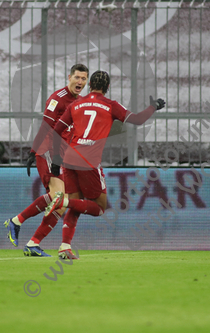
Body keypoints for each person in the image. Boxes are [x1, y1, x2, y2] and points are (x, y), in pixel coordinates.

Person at [44, 70, 165, 260]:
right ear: (107, 88)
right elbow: (138, 120)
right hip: (89, 161)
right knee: (99, 208)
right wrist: (153, 106)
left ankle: (64, 247)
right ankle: (62, 201)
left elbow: (57, 130)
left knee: (77, 205)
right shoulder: (110, 105)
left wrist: (56, 162)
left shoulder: (76, 104)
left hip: (69, 158)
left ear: (90, 85)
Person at [4, 63, 89, 257]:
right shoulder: (57, 99)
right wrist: (33, 151)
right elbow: (46, 127)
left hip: (65, 156)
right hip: (49, 151)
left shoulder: (81, 102)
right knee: (60, 198)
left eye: (84, 79)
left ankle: (28, 237)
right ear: (69, 77)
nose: (80, 82)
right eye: (77, 77)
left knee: (61, 201)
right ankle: (21, 227)